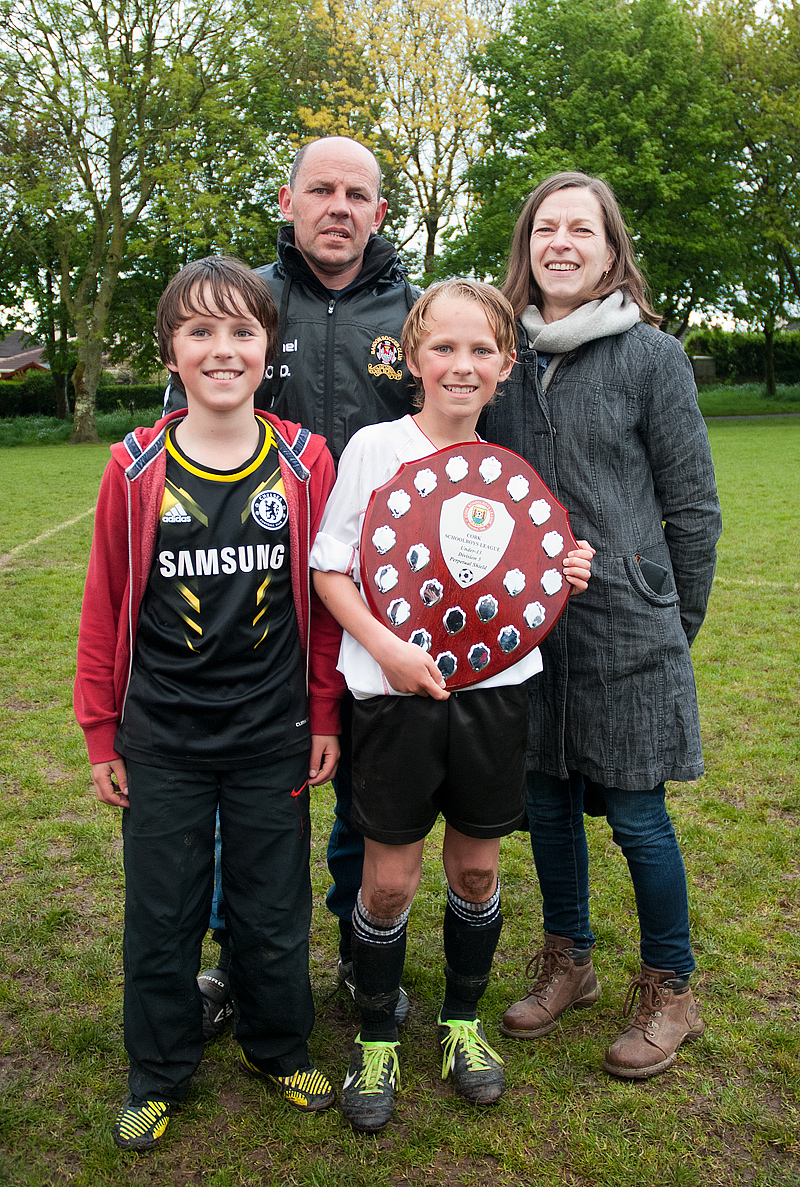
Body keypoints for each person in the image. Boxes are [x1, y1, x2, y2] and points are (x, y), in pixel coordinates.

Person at [310, 279, 595, 1131]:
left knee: (476, 869)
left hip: (495, 699)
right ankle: (375, 1036)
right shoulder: (373, 448)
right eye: (444, 348)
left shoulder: (512, 468)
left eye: (480, 351)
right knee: (388, 882)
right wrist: (388, 649)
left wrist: (563, 573)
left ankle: (463, 1024)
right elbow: (331, 570)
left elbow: (521, 577)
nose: (461, 366)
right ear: (411, 359)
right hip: (393, 703)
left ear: (506, 365)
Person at [74, 256, 344, 1151]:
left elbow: (328, 601)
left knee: (273, 910)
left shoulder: (307, 462)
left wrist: (326, 713)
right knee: (163, 913)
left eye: (241, 330)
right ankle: (157, 1068)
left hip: (273, 735)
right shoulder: (136, 464)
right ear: (172, 350)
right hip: (165, 738)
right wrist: (102, 729)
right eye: (200, 331)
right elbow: (106, 599)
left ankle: (279, 1043)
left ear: (268, 348)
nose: (222, 348)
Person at [166, 138, 419, 1027]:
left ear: (378, 212)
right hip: (255, 597)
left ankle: (360, 945)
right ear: (290, 200)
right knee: (254, 786)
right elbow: (178, 448)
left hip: (375, 601)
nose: (339, 206)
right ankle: (235, 960)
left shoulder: (414, 312)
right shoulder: (247, 304)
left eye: (357, 193)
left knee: (363, 784)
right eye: (322, 190)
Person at [482, 172, 722, 1079]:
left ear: (611, 247)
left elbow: (693, 509)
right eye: (547, 227)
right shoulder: (505, 357)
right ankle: (568, 960)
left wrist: (671, 619)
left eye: (582, 228)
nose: (562, 242)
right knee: (545, 804)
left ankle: (672, 988)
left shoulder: (650, 357)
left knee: (636, 816)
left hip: (630, 628)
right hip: (528, 627)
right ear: (528, 246)